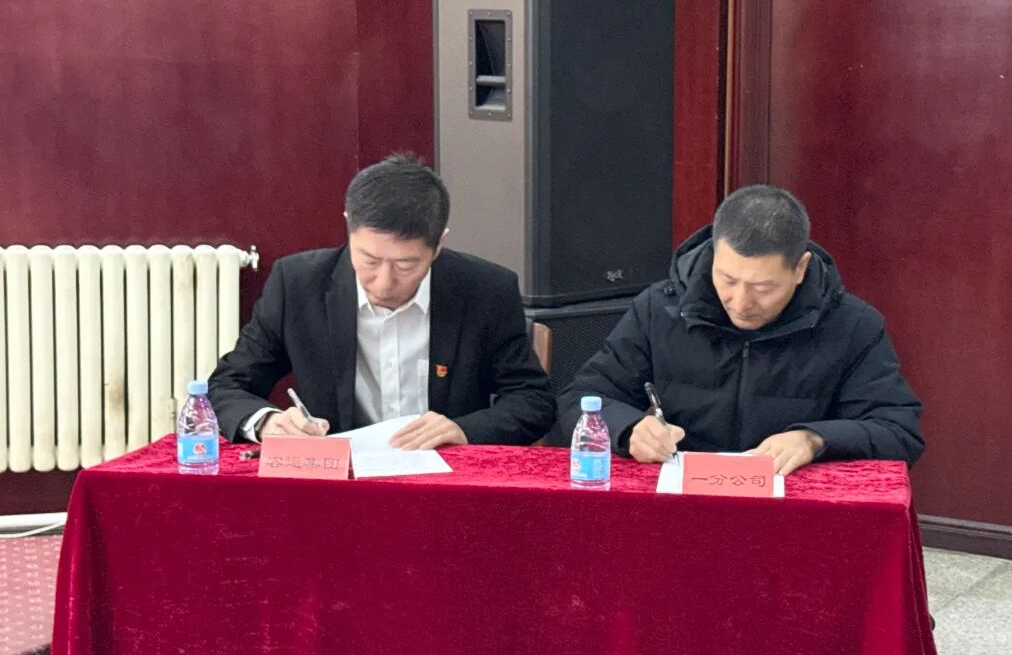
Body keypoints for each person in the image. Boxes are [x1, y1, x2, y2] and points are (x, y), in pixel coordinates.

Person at [557, 185, 923, 475]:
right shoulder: (659, 310)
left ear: (800, 269)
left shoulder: (852, 325)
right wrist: (629, 429)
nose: (741, 301)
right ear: (714, 256)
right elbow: (582, 397)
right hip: (678, 500)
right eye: (728, 279)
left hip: (795, 511)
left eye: (763, 287)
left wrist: (814, 439)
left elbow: (898, 430)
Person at [209, 154, 556, 448]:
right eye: (369, 260)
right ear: (349, 227)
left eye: (406, 265)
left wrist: (464, 430)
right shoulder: (298, 284)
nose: (384, 282)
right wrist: (266, 422)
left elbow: (533, 400)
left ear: (439, 244)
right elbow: (229, 384)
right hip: (339, 482)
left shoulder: (486, 290)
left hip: (445, 479)